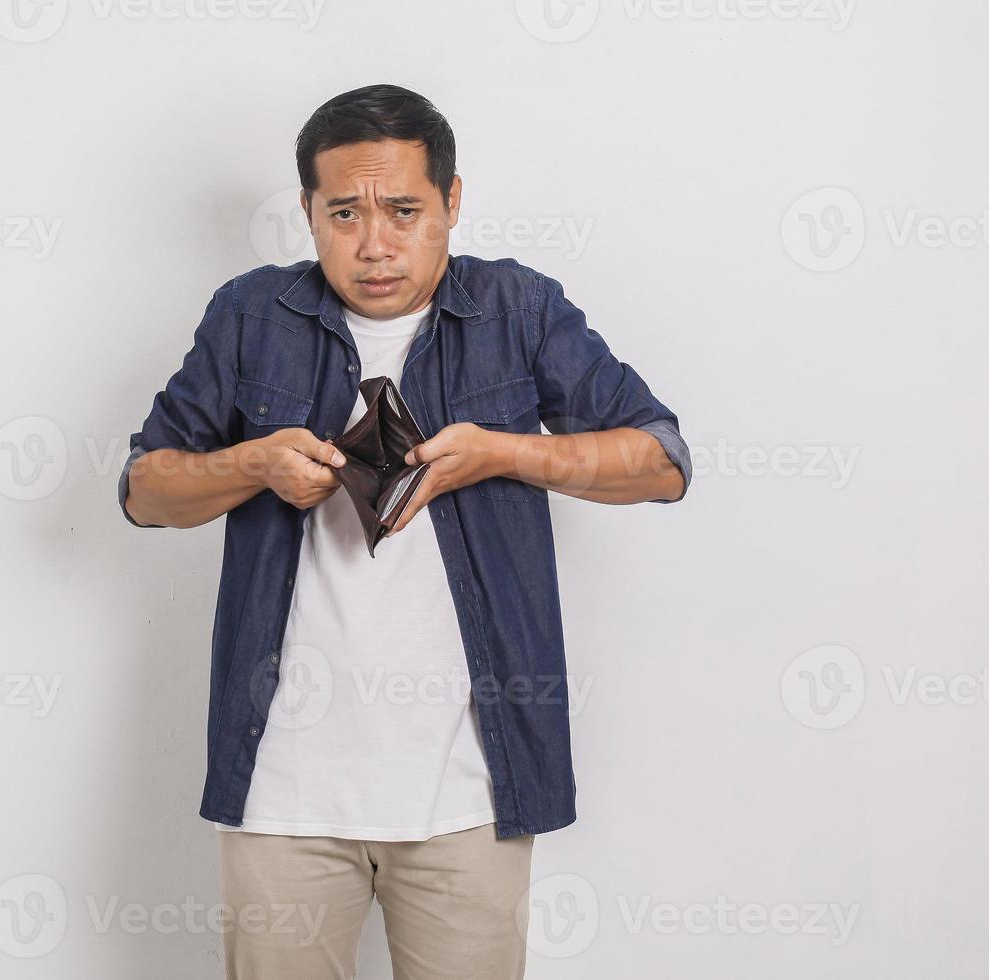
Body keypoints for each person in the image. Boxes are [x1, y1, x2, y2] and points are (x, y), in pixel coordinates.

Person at [119, 83, 691, 980]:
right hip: (283, 791)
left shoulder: (519, 310)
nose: (374, 243)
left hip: (469, 789)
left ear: (452, 202)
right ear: (307, 209)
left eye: (403, 210)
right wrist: (252, 464)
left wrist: (502, 453)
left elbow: (660, 461)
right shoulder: (250, 315)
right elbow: (144, 490)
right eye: (342, 212)